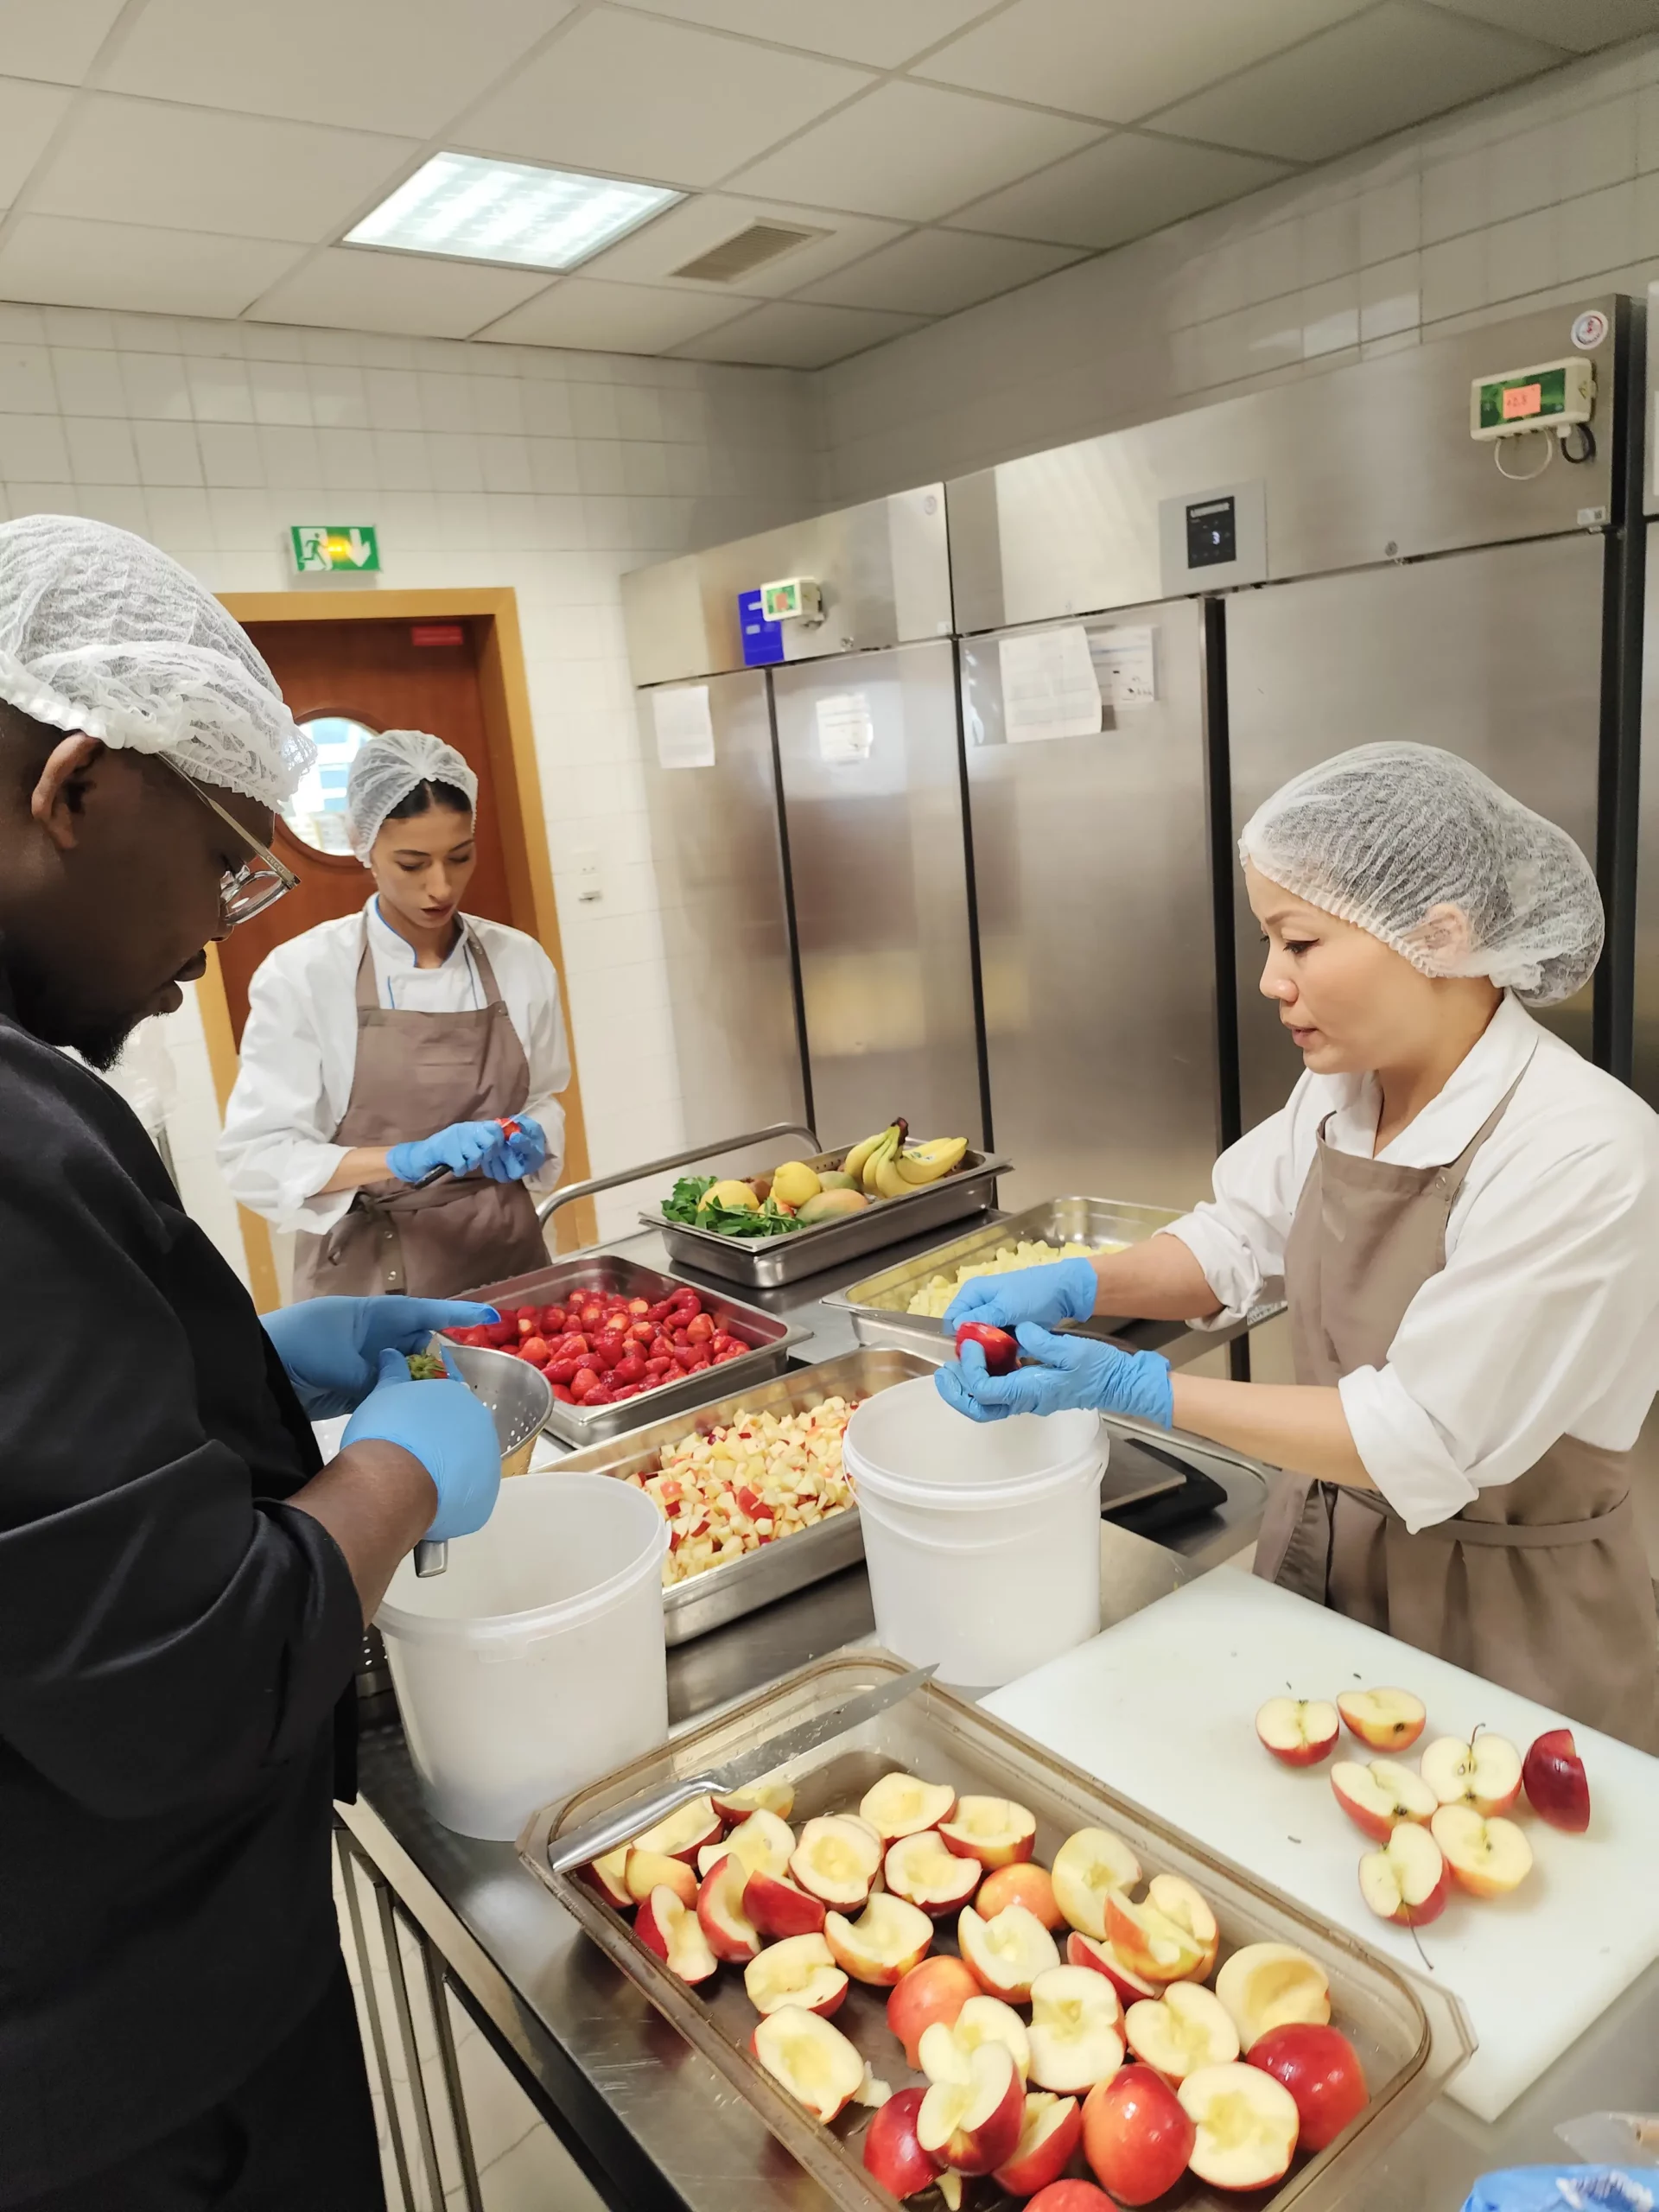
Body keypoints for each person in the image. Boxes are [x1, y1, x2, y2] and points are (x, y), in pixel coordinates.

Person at [0, 514, 505, 2209]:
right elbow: (193, 1677)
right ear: (74, 789)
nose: (219, 933)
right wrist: (400, 1461)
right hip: (127, 2067)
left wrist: (237, 1376)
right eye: (222, 860)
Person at [940, 742, 1659, 1751]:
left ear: (1439, 934)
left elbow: (1420, 1436)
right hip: (1323, 1560)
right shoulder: (1347, 1087)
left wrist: (1132, 1385)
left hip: (1504, 1613)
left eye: (1301, 942)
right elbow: (1236, 1239)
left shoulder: (1581, 1149)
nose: (1272, 980)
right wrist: (1074, 1284)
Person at [219, 727, 571, 1300]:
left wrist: (536, 1135)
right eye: (412, 863)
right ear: (362, 844)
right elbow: (259, 1158)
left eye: (460, 857)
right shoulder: (306, 975)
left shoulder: (519, 961)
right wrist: (403, 1159)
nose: (441, 887)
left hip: (509, 1261)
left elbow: (543, 1099)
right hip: (370, 1275)